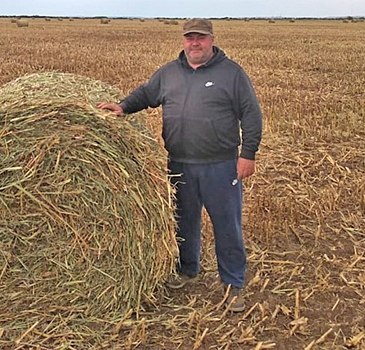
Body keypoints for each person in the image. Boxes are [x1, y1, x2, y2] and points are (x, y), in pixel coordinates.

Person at [98, 18, 262, 312]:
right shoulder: (169, 73)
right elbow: (146, 94)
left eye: (200, 38)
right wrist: (122, 106)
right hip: (180, 163)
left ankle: (233, 283)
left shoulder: (232, 73)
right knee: (184, 222)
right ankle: (188, 270)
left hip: (221, 165)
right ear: (183, 40)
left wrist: (247, 154)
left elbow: (251, 114)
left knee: (227, 226)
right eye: (189, 38)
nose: (194, 43)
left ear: (211, 40)